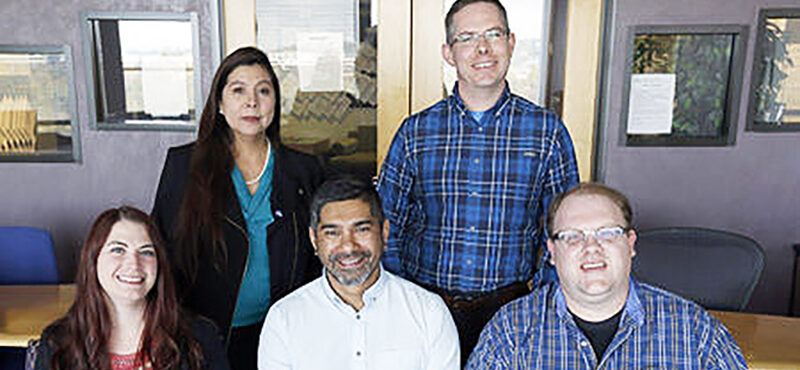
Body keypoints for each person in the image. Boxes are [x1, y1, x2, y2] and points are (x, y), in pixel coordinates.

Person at [377, 0, 579, 361]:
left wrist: (540, 303)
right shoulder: (415, 133)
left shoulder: (547, 132)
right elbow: (387, 223)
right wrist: (404, 296)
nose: (482, 48)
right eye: (467, 37)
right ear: (449, 53)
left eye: (493, 34)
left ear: (511, 43)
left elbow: (564, 231)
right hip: (425, 311)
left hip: (512, 312)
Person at [151, 47, 325, 370]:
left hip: (283, 333)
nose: (252, 102)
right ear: (219, 103)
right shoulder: (185, 166)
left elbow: (318, 260)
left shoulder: (304, 171)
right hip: (204, 336)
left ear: (275, 101)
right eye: (238, 90)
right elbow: (161, 251)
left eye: (263, 91)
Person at [466, 183, 748, 369]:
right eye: (572, 237)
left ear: (630, 244)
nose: (591, 248)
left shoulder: (695, 331)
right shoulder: (511, 330)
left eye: (607, 234)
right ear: (552, 252)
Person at [257, 178, 459, 369]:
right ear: (314, 239)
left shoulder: (429, 312)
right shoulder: (284, 318)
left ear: (384, 232)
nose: (348, 247)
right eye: (332, 233)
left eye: (362, 229)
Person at [30, 206, 229, 370]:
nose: (134, 264)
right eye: (118, 250)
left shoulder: (200, 337)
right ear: (93, 260)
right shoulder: (56, 343)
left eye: (146, 252)